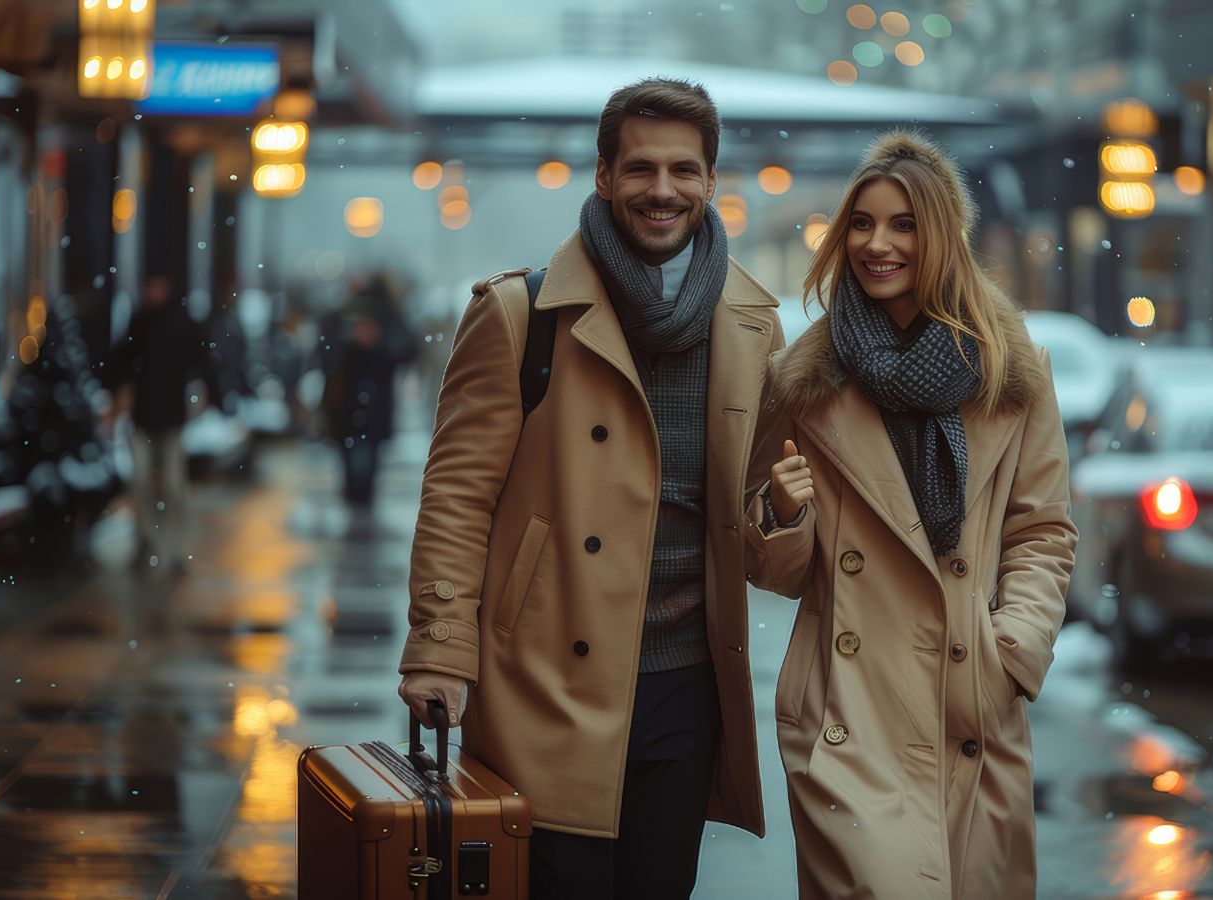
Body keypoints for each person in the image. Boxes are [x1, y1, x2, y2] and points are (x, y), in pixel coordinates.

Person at [397, 78, 785, 898]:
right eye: (640, 168)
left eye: (685, 170)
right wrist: (438, 648)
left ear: (712, 183)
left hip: (687, 687)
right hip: (545, 679)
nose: (663, 190)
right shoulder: (522, 314)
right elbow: (458, 496)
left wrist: (784, 512)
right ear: (603, 176)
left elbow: (751, 521)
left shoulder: (752, 326)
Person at [745, 130, 1077, 898]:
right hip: (849, 713)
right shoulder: (804, 381)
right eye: (861, 224)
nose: (878, 243)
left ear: (943, 237)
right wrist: (782, 513)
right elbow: (777, 572)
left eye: (904, 224)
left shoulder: (1009, 371)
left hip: (971, 705)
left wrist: (1013, 651)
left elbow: (1042, 530)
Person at [103, 274, 211, 573]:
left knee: (174, 487)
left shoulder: (180, 323)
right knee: (141, 484)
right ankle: (147, 542)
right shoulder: (141, 322)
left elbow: (201, 362)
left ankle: (175, 549)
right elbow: (120, 360)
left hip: (171, 420)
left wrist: (206, 392)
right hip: (144, 419)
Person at [320, 274, 416, 509]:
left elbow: (405, 351)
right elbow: (325, 353)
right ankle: (356, 505)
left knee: (363, 464)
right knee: (355, 463)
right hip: (347, 406)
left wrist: (376, 345)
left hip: (369, 407)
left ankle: (358, 506)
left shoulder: (386, 318)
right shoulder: (343, 317)